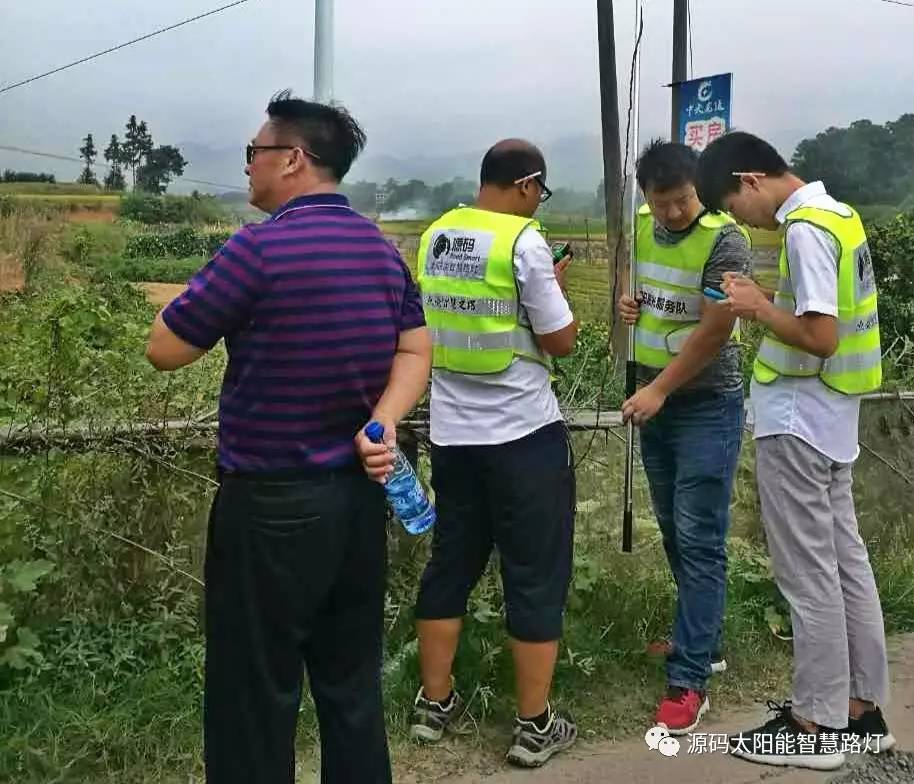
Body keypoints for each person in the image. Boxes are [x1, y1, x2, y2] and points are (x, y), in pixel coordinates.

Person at [145, 90, 431, 784]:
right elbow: (417, 350)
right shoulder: (381, 249)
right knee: (350, 686)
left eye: (256, 153)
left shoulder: (256, 250)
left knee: (254, 693)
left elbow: (165, 348)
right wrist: (383, 420)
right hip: (358, 505)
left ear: (293, 159)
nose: (249, 168)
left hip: (270, 508)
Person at [696, 131, 892, 771]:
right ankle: (862, 711)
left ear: (751, 180)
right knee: (844, 563)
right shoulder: (840, 215)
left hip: (800, 417)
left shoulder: (805, 229)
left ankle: (816, 723)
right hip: (834, 416)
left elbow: (820, 336)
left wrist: (754, 306)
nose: (741, 220)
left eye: (734, 205)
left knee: (808, 575)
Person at [402, 139, 578, 768]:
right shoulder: (524, 242)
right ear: (528, 185)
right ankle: (534, 726)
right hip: (524, 437)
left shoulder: (436, 236)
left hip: (453, 438)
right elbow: (559, 340)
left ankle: (434, 704)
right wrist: (556, 290)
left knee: (450, 564)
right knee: (534, 572)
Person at [618, 140, 751, 735]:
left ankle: (690, 676)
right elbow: (646, 289)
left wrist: (660, 391)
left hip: (703, 404)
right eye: (662, 201)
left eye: (683, 201)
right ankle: (703, 639)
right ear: (646, 194)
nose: (674, 213)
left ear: (698, 189)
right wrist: (629, 304)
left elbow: (715, 329)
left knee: (700, 537)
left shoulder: (727, 239)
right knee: (674, 526)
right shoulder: (643, 227)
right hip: (658, 401)